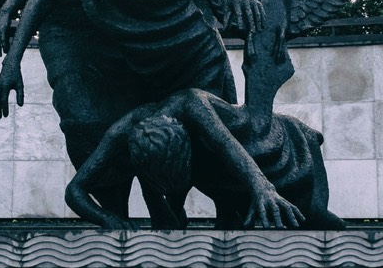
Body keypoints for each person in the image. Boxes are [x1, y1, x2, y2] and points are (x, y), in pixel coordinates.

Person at [0, 0, 263, 215]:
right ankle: (168, 219)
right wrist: (12, 61)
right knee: (158, 142)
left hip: (195, 58)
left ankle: (239, 214)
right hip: (146, 68)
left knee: (215, 143)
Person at [64, 87, 347, 231]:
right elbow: (74, 191)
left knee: (317, 217)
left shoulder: (191, 104)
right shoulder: (122, 132)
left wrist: (263, 187)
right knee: (171, 226)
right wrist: (107, 219)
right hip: (221, 174)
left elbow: (228, 145)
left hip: (275, 146)